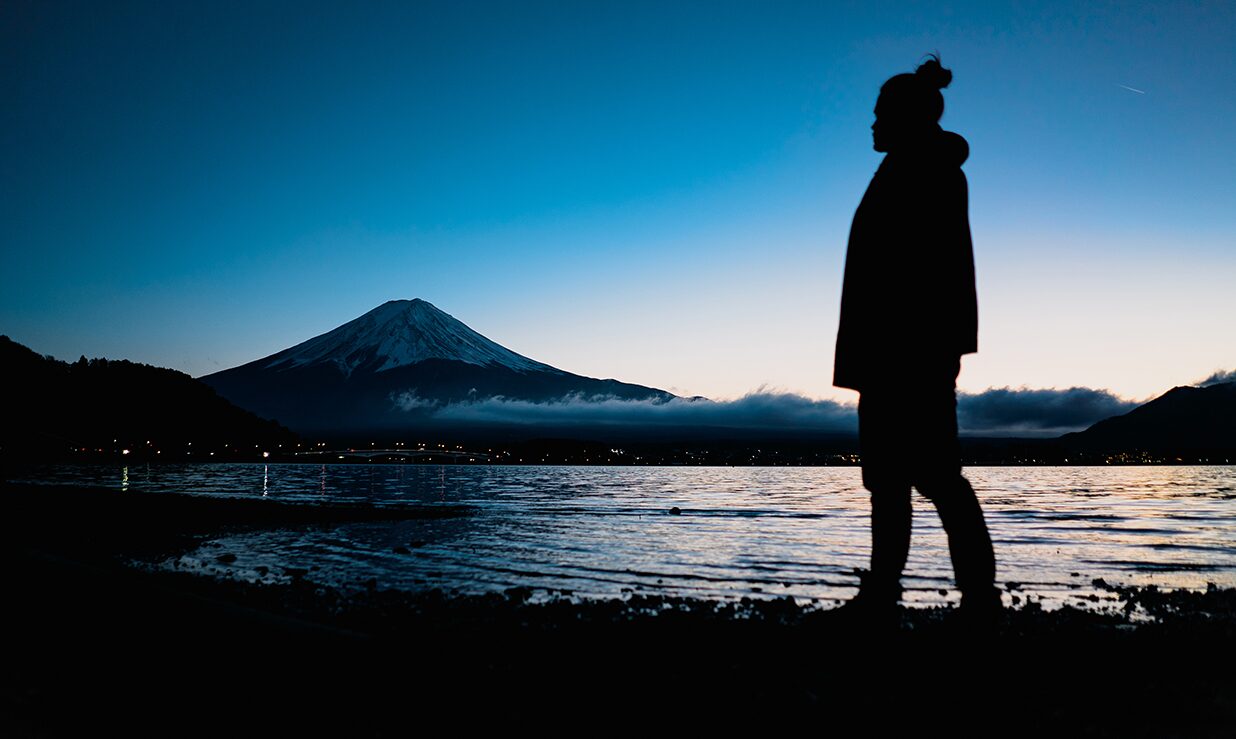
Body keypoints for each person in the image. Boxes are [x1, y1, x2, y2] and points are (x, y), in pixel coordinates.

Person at [832, 55, 999, 627]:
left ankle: (978, 600)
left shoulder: (927, 170)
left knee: (932, 475)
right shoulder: (909, 166)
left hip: (912, 350)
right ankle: (885, 593)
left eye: (879, 113)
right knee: (889, 478)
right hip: (891, 350)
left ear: (904, 116)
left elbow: (930, 268)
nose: (871, 123)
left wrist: (928, 345)